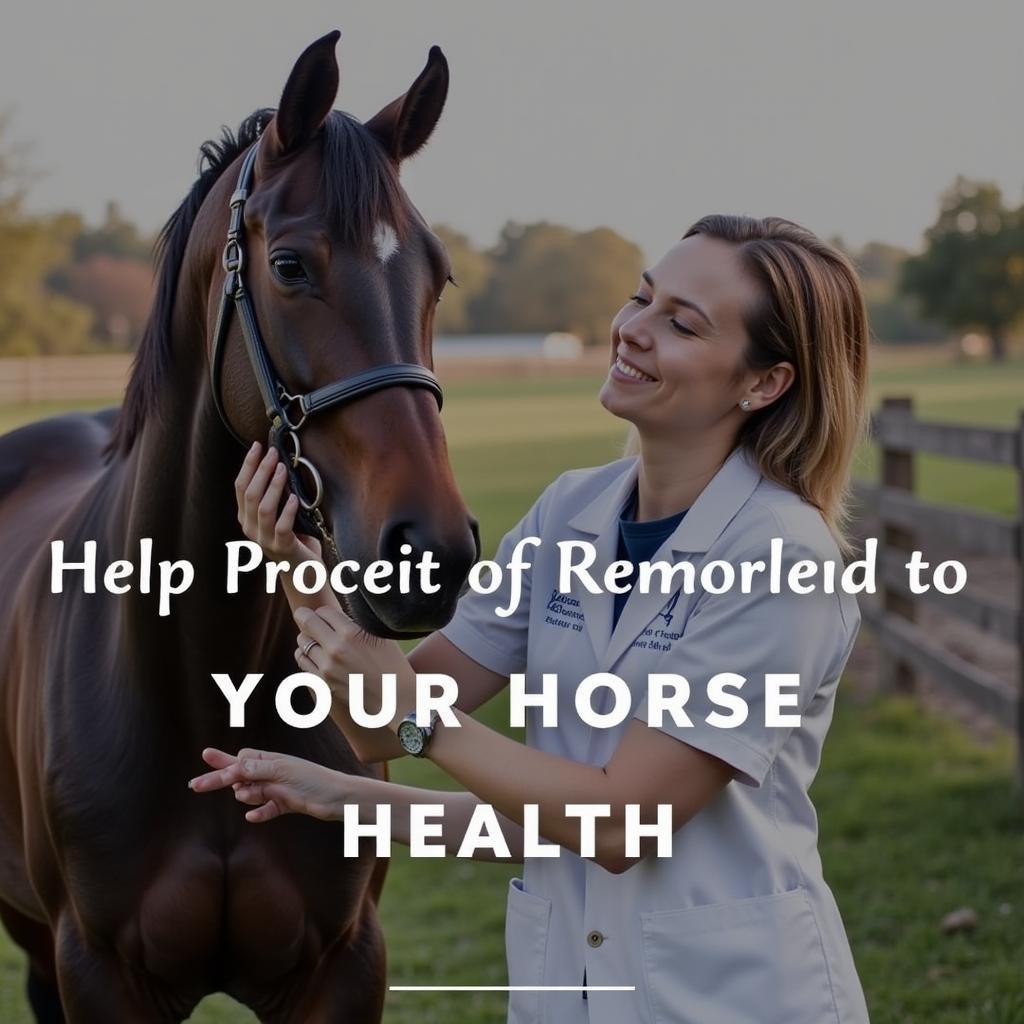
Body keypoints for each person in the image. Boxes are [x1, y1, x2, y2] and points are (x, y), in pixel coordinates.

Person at [190, 215, 872, 1024]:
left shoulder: (777, 556)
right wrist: (302, 580)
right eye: (642, 298)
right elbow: (388, 732)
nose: (633, 330)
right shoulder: (568, 514)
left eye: (682, 323)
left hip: (732, 998)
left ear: (764, 383)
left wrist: (418, 724)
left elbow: (623, 823)